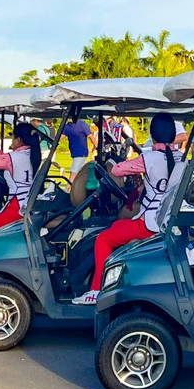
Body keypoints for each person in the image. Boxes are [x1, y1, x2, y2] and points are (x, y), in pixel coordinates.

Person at [76, 114, 183, 303]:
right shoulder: (181, 158)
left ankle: (96, 290)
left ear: (153, 134)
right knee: (119, 226)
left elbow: (117, 170)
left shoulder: (148, 157)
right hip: (166, 220)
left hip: (150, 224)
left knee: (103, 239)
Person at [0, 121, 42, 242]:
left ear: (19, 139)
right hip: (28, 201)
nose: (11, 141)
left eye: (13, 138)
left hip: (18, 204)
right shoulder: (33, 154)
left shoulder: (12, 157)